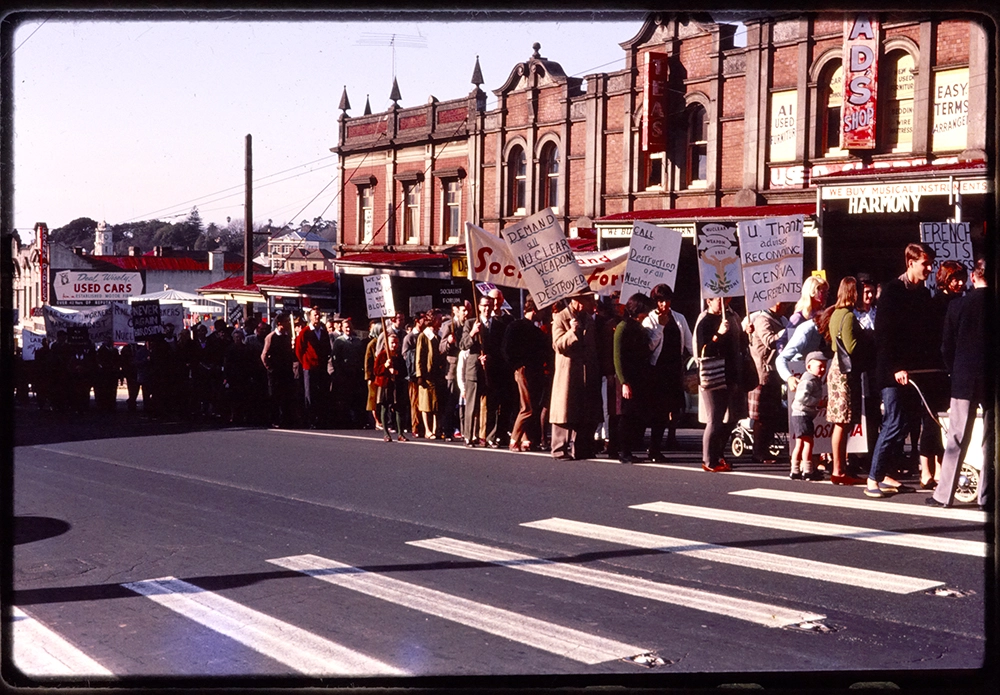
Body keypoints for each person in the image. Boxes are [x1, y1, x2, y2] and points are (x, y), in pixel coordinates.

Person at [865, 242, 937, 499]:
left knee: (906, 423)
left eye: (930, 263)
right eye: (924, 263)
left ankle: (886, 473)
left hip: (913, 370)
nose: (929, 268)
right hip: (892, 370)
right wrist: (896, 367)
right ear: (910, 263)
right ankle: (873, 478)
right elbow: (884, 335)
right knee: (893, 422)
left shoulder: (922, 293)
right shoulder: (893, 291)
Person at [928, 257, 992, 509]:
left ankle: (944, 495)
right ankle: (987, 497)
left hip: (964, 378)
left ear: (974, 277)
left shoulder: (957, 306)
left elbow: (947, 347)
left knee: (956, 437)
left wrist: (954, 370)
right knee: (991, 440)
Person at [918, 260, 969, 488]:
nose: (959, 283)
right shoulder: (935, 304)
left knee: (950, 422)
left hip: (956, 368)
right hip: (935, 368)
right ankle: (925, 470)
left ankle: (942, 469)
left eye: (962, 278)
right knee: (931, 421)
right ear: (944, 280)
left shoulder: (964, 302)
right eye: (954, 278)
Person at [549, 292, 603, 460]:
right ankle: (559, 449)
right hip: (569, 371)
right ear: (577, 300)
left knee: (586, 412)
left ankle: (581, 448)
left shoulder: (588, 319)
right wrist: (571, 332)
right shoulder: (560, 317)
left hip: (587, 370)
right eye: (587, 300)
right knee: (564, 412)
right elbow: (557, 345)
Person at [643, 284, 692, 459]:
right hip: (658, 370)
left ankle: (671, 438)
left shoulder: (679, 318)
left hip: (674, 368)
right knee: (659, 410)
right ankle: (654, 447)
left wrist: (699, 360)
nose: (664, 304)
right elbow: (649, 346)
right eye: (660, 301)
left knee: (675, 408)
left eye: (667, 300)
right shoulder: (650, 320)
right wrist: (660, 327)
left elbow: (689, 343)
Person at [826, 278, 868, 485]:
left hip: (836, 367)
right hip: (845, 372)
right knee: (842, 422)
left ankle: (839, 468)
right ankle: (839, 470)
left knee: (840, 422)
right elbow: (851, 347)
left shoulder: (835, 313)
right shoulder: (849, 316)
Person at [694, 297, 742, 472]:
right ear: (709, 301)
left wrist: (745, 332)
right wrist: (718, 335)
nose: (724, 303)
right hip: (712, 374)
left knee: (728, 417)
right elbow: (703, 350)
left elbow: (736, 345)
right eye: (719, 300)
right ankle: (708, 460)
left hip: (729, 372)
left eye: (726, 299)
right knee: (714, 418)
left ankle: (718, 454)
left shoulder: (731, 317)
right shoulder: (705, 322)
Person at [502, 296, 550, 452]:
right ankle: (514, 440)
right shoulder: (516, 326)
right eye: (542, 311)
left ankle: (525, 438)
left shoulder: (535, 330)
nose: (544, 315)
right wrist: (517, 366)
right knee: (527, 407)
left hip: (532, 371)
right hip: (523, 370)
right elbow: (506, 349)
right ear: (535, 310)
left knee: (528, 404)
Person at [747, 301, 790, 464]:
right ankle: (758, 452)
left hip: (774, 374)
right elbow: (770, 341)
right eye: (783, 302)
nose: (786, 305)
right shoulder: (762, 319)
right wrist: (788, 332)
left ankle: (766, 449)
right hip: (761, 374)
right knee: (761, 417)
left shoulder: (783, 319)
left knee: (771, 415)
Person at [613, 293, 654, 463]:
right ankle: (623, 451)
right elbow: (617, 356)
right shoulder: (623, 327)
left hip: (640, 376)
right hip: (628, 378)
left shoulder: (640, 328)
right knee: (626, 415)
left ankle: (630, 448)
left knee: (636, 415)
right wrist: (623, 381)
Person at [460, 295, 499, 446]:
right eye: (484, 306)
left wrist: (489, 357)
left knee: (491, 406)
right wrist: (473, 333)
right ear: (479, 307)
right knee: (472, 406)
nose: (487, 309)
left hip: (490, 370)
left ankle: (490, 437)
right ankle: (469, 436)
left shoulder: (497, 324)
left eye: (489, 306)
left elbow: (500, 348)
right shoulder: (471, 323)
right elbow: (463, 345)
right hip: (474, 370)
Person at [789, 352, 827, 480]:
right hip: (802, 414)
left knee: (799, 443)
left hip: (800, 414)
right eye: (820, 366)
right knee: (808, 443)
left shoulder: (813, 379)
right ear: (809, 367)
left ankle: (794, 470)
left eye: (824, 366)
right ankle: (808, 470)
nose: (822, 369)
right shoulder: (809, 380)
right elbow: (802, 397)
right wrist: (818, 402)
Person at [439, 300, 471, 440]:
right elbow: (441, 348)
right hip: (453, 368)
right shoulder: (449, 326)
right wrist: (448, 342)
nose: (466, 313)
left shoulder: (469, 324)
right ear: (456, 311)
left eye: (468, 310)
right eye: (464, 310)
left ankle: (464, 428)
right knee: (451, 400)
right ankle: (447, 429)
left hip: (467, 367)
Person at [295, 307, 331, 428]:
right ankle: (310, 419)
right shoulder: (305, 332)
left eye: (318, 315)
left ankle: (320, 418)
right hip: (309, 367)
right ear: (310, 317)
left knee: (321, 392)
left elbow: (327, 348)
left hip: (321, 366)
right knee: (309, 393)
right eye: (315, 315)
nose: (317, 317)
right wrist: (305, 361)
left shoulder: (323, 332)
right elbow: (299, 350)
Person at [261, 312, 296, 428]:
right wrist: (270, 368)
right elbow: (264, 355)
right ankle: (274, 419)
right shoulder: (271, 337)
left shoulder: (287, 337)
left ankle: (286, 418)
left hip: (286, 371)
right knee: (275, 396)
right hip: (275, 372)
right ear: (279, 323)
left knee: (286, 396)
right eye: (286, 321)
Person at [373, 331, 409, 442]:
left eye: (396, 343)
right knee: (384, 407)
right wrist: (385, 366)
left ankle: (400, 433)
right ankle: (386, 433)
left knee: (398, 408)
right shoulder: (382, 355)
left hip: (396, 385)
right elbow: (376, 370)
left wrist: (396, 372)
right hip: (385, 384)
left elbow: (404, 371)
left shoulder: (399, 357)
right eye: (392, 343)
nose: (394, 345)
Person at [415, 309, 445, 438]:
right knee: (425, 403)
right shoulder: (424, 336)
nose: (441, 321)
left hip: (437, 373)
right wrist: (420, 375)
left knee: (436, 403)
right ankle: (427, 430)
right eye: (438, 318)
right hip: (427, 375)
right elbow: (419, 356)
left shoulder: (439, 336)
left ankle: (435, 428)